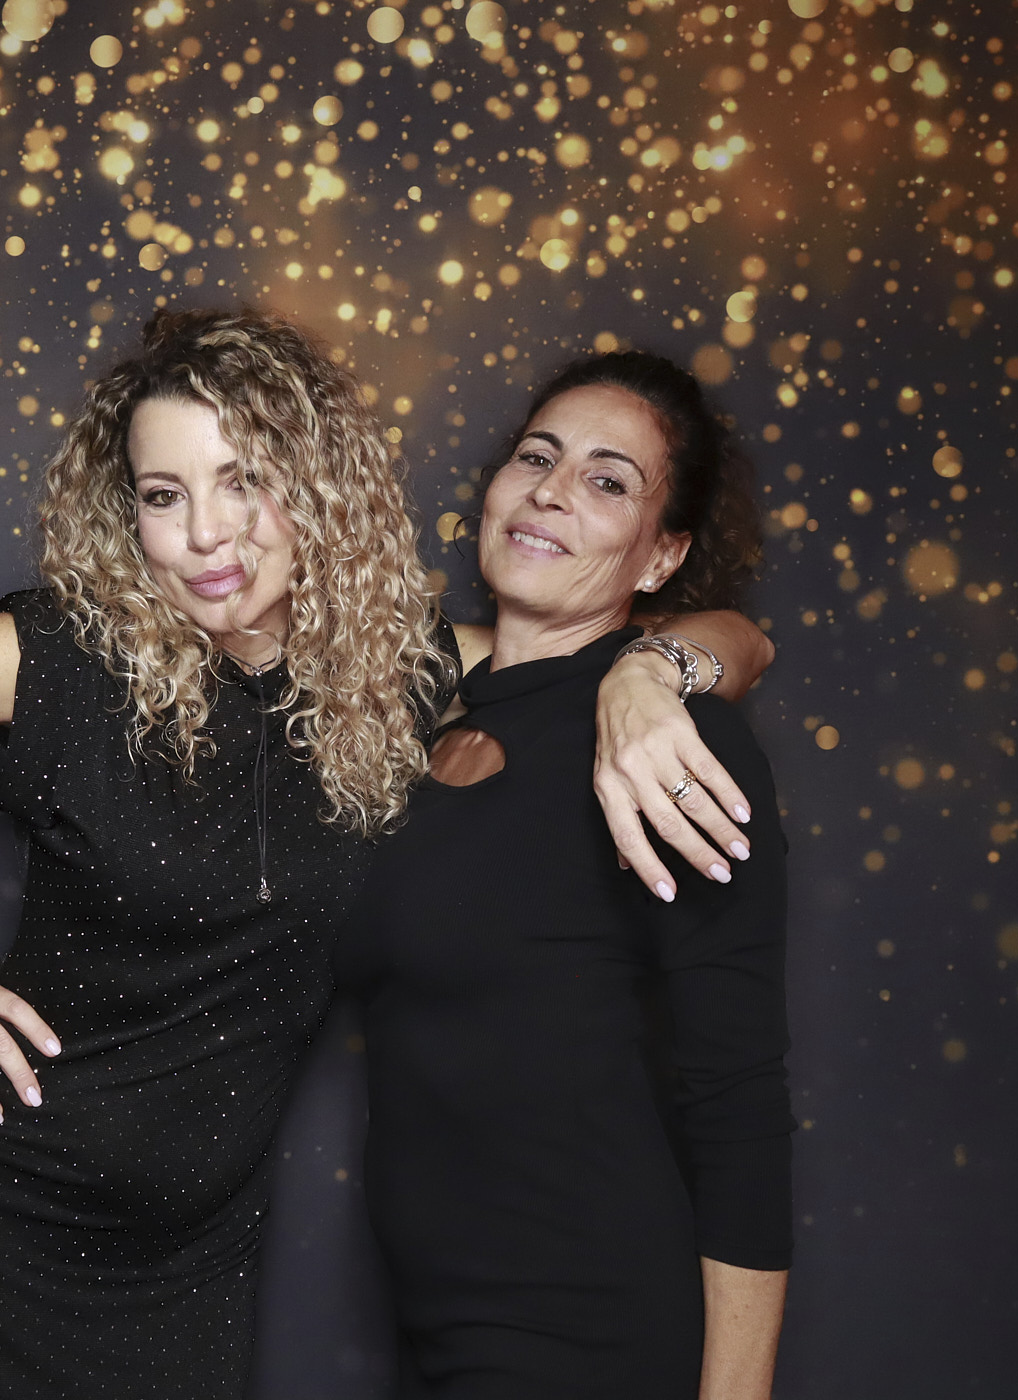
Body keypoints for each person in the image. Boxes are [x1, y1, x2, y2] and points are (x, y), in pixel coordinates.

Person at [0, 310, 771, 1399]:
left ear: (315, 484)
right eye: (163, 494)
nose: (205, 535)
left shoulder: (395, 675)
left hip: (188, 1266)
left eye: (243, 481)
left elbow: (678, 639)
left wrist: (656, 669)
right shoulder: (60, 656)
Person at [334, 349, 793, 1399]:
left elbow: (739, 1104)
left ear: (660, 555)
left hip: (584, 1331)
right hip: (435, 1330)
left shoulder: (675, 745)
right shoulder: (415, 713)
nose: (551, 490)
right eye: (537, 457)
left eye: (607, 480)